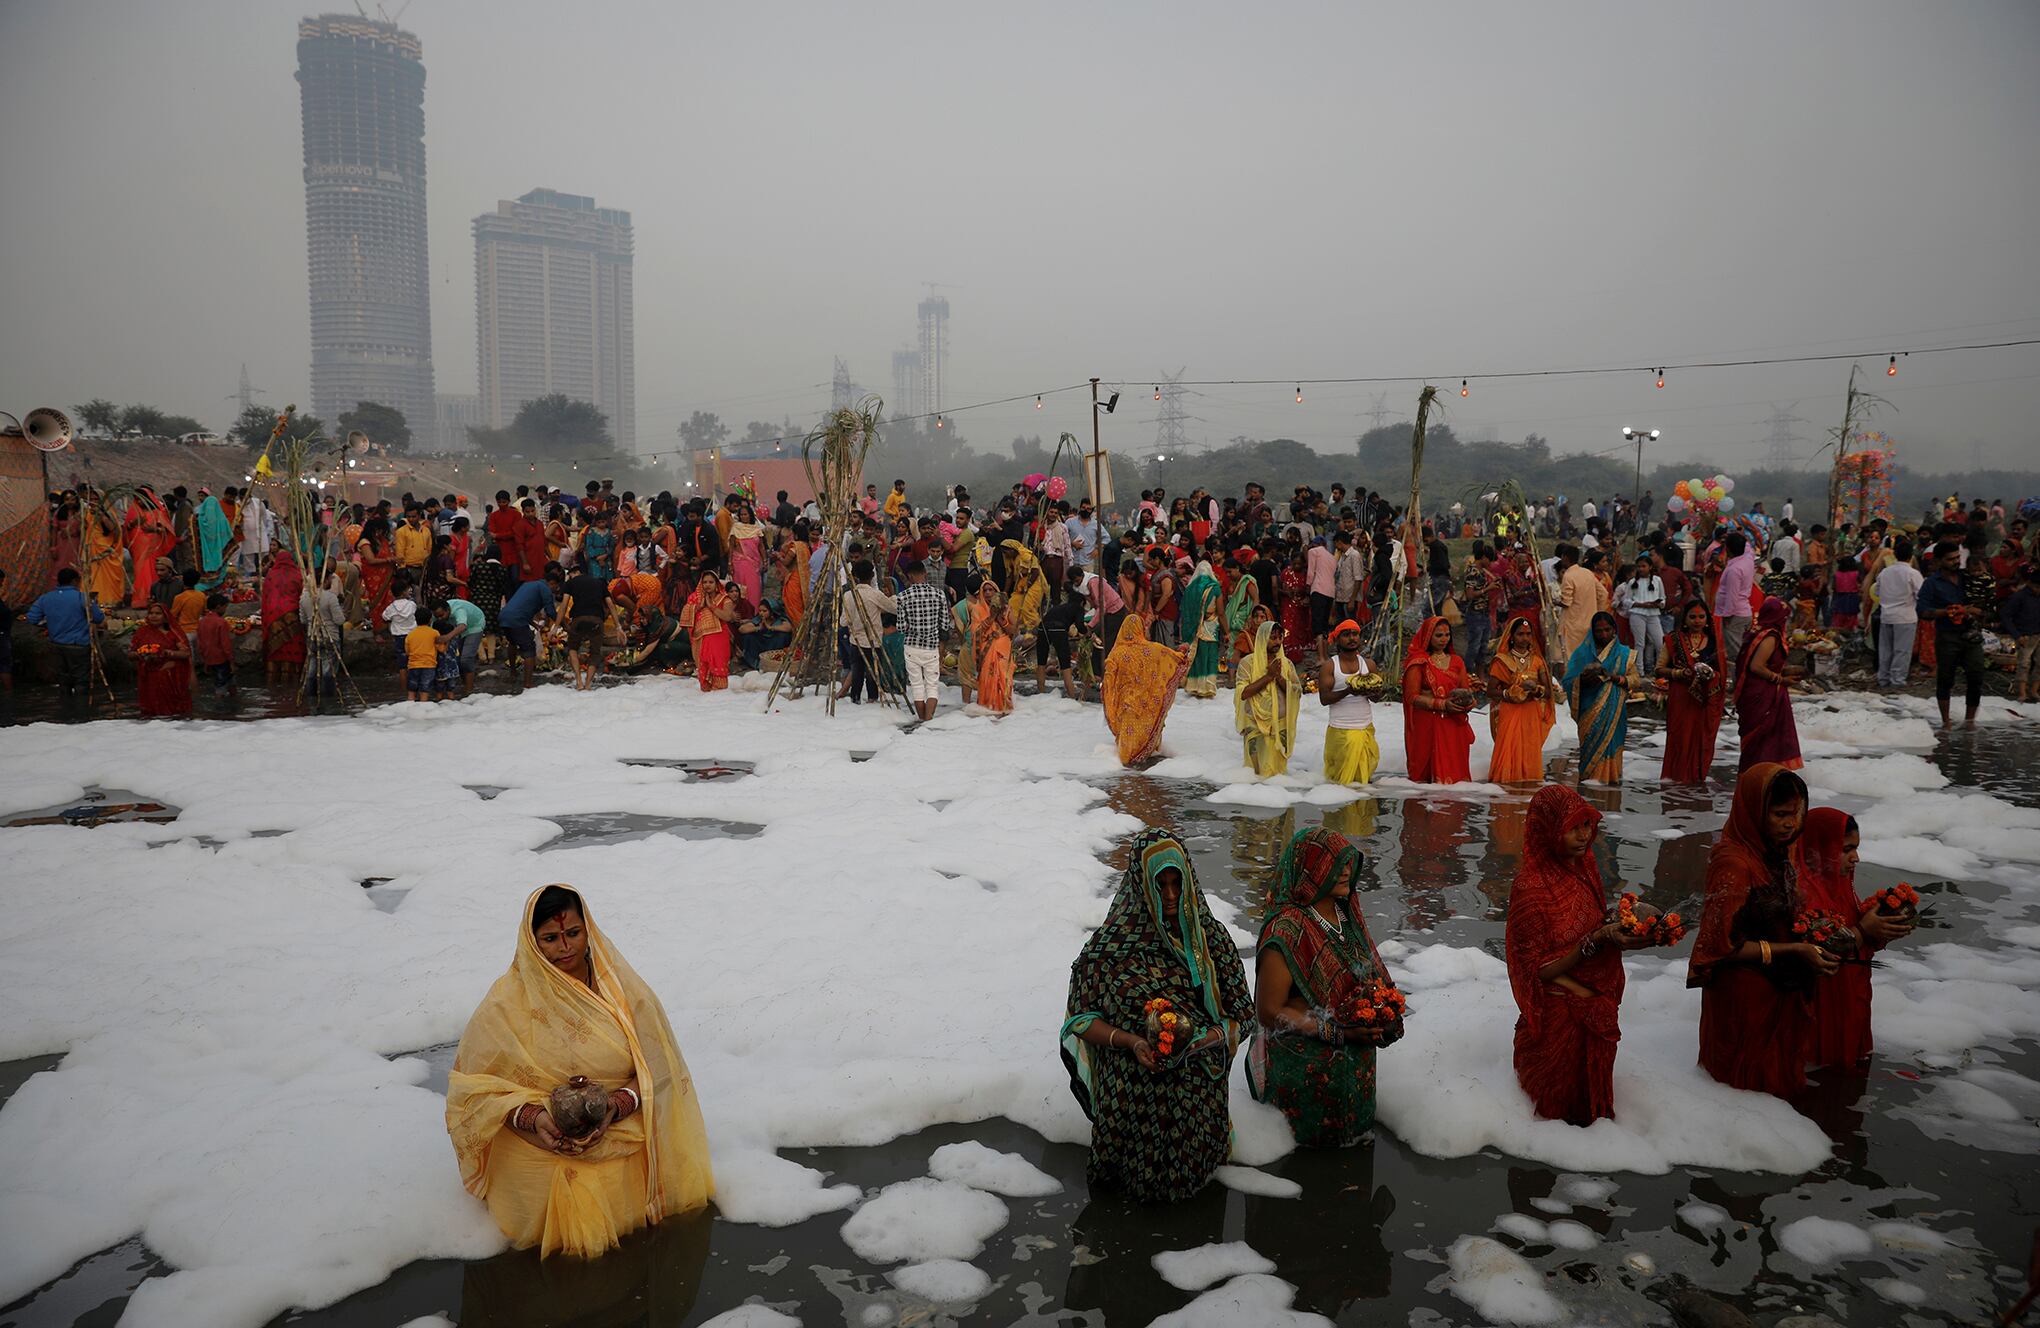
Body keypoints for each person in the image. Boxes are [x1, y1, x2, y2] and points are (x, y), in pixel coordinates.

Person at [446, 886, 713, 1258]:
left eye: (573, 934)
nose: (564, 948)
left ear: (589, 932)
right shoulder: (505, 1002)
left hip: (620, 1123)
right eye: (550, 938)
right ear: (531, 941)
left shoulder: (622, 992)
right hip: (537, 1137)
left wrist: (616, 1106)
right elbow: (473, 1089)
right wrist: (533, 1119)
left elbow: (660, 1067)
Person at [1059, 830, 1251, 1203]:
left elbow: (1243, 1016)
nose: (1170, 895)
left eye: (1176, 883)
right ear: (1138, 884)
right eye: (1159, 884)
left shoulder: (1211, 940)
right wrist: (1132, 1042)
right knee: (1118, 1196)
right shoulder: (1110, 945)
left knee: (1192, 1198)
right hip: (1131, 1077)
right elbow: (1080, 1020)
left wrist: (1197, 1040)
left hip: (1198, 1075)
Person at [1506, 785, 1649, 1126]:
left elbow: (1591, 923)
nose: (1585, 835)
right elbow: (1535, 971)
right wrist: (1595, 940)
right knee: (1556, 1117)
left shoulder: (1584, 871)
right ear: (1549, 829)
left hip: (1596, 1008)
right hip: (1560, 1019)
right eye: (1573, 828)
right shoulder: (1531, 887)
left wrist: (1627, 921)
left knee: (1591, 1119)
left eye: (1587, 824)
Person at [1248, 828, 1401, 1147]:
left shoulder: (1348, 916)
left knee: (1356, 1180)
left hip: (1354, 1083)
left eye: (1348, 862)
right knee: (1309, 1180)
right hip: (1306, 1087)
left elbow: (1369, 982)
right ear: (1310, 870)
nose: (1346, 870)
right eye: (1335, 863)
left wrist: (1387, 1017)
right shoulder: (1286, 930)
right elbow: (1269, 1011)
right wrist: (1337, 1033)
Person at [1690, 764, 1835, 1097]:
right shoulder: (1734, 863)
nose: (1790, 823)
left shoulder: (1773, 849)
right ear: (1755, 811)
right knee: (1742, 1091)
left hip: (1775, 988)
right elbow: (1720, 947)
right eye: (1780, 814)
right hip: (1743, 998)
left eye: (1796, 814)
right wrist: (1796, 950)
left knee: (1771, 1091)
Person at [1798, 808, 1913, 1071]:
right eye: (1846, 849)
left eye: (1856, 848)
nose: (1855, 857)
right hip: (1820, 1010)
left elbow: (1857, 938)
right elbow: (1818, 952)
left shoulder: (1841, 888)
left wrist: (1884, 927)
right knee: (1822, 1084)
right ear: (1820, 847)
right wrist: (1863, 930)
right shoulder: (1802, 893)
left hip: (1849, 1001)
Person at [1102, 616, 1191, 767]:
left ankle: (1126, 759)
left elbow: (1108, 680)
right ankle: (1145, 753)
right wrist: (1182, 651)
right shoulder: (1152, 649)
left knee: (1127, 736)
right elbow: (1172, 659)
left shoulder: (1116, 653)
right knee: (1149, 725)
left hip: (1126, 705)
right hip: (1146, 702)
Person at [1564, 611, 1641, 784]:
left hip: (1614, 712)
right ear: (1593, 631)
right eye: (1599, 631)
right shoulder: (1582, 653)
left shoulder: (1624, 653)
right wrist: (1582, 679)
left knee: (1611, 749)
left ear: (1614, 629)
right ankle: (1590, 795)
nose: (1604, 634)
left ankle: (1610, 795)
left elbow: (1636, 680)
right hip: (1588, 711)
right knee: (1589, 759)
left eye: (1607, 630)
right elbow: (1567, 680)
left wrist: (1613, 678)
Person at [1916, 540, 1986, 728]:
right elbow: (1922, 611)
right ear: (1939, 561)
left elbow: (1985, 600)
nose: (1956, 562)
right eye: (1950, 559)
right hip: (1948, 636)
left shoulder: (1968, 577)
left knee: (1976, 676)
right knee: (1946, 678)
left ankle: (1969, 721)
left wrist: (1977, 610)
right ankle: (1946, 721)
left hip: (1972, 635)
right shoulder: (1931, 583)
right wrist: (1947, 612)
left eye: (1957, 557)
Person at [1658, 600, 1727, 783]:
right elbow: (1659, 669)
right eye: (1693, 617)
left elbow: (1722, 672)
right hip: (1681, 697)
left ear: (1707, 620)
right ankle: (1676, 781)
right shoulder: (1673, 640)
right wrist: (1680, 673)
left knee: (1701, 740)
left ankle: (1696, 780)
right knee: (1680, 738)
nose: (1697, 621)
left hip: (1705, 700)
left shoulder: (1714, 642)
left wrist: (1712, 676)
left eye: (1701, 617)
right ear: (1685, 619)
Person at [1402, 615, 1476, 784]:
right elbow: (1411, 697)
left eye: (1447, 635)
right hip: (1428, 724)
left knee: (1456, 784)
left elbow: (1465, 690)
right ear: (1428, 636)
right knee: (1427, 785)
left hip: (1453, 723)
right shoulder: (1419, 662)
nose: (1444, 639)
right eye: (1439, 635)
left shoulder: (1457, 661)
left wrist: (1470, 703)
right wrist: (1441, 704)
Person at [1484, 613, 1556, 784]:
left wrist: (1536, 689)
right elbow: (1491, 691)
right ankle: (1506, 791)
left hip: (1531, 711)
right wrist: (1510, 694)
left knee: (1529, 749)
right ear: (1511, 636)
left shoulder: (1537, 661)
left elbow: (1548, 692)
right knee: (1510, 749)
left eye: (1528, 634)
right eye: (1520, 634)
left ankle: (1527, 792)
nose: (1525, 638)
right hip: (1510, 711)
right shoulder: (1502, 660)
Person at [1735, 597, 1803, 772]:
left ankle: (1762, 776)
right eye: (1784, 617)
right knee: (1761, 740)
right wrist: (1781, 679)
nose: (1785, 621)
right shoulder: (1770, 636)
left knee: (1765, 740)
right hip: (1761, 694)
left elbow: (1767, 663)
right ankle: (1756, 777)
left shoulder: (1758, 631)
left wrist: (1786, 671)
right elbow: (1756, 666)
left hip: (1762, 691)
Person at [25, 568, 106, 703]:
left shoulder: (45, 598)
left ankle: (65, 714)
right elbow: (98, 618)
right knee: (81, 681)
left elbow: (32, 618)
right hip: (79, 646)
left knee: (63, 682)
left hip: (57, 646)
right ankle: (81, 714)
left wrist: (48, 624)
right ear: (75, 581)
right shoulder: (82, 597)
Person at [1318, 619, 1381, 786]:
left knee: (1363, 784)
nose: (1352, 638)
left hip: (1365, 728)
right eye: (1346, 635)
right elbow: (1324, 699)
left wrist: (1371, 692)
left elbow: (1377, 698)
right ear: (1337, 639)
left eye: (1355, 634)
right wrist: (1348, 691)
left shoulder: (1369, 665)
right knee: (1342, 785)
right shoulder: (1330, 666)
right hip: (1341, 731)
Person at [1235, 617, 1300, 777]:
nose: (1277, 642)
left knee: (1277, 774)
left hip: (1280, 724)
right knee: (1255, 774)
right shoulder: (1247, 663)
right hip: (1254, 723)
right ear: (1263, 638)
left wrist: (1278, 678)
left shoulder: (1286, 664)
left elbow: (1296, 692)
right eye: (1272, 638)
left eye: (1279, 637)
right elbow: (1243, 693)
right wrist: (1268, 676)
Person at [895, 560, 948, 721]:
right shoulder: (939, 594)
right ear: (925, 573)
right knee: (932, 686)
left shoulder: (902, 596)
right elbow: (945, 624)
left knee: (917, 686)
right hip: (932, 647)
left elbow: (901, 627)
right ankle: (928, 719)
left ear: (909, 576)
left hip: (912, 647)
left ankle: (923, 720)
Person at [499, 567, 562, 692]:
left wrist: (533, 624)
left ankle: (513, 673)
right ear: (552, 583)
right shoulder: (545, 589)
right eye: (556, 586)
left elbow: (521, 605)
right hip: (517, 619)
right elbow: (551, 612)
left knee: (512, 642)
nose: (556, 589)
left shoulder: (529, 585)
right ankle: (528, 684)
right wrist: (564, 625)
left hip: (504, 616)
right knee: (529, 649)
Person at [1872, 536, 1922, 689]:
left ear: (1894, 555)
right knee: (1902, 651)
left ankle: (1883, 678)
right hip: (1906, 617)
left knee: (1885, 649)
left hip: (1886, 615)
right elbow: (1921, 594)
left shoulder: (1885, 573)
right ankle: (1897, 680)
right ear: (1911, 556)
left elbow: (1877, 592)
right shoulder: (1913, 574)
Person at [130, 601, 192, 717]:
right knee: (151, 712)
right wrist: (141, 654)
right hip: (149, 678)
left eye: (158, 613)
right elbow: (131, 654)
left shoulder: (174, 633)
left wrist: (167, 653)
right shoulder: (141, 632)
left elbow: (185, 653)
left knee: (171, 713)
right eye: (151, 613)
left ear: (165, 617)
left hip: (169, 677)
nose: (153, 616)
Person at [681, 571, 738, 692]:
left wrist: (711, 606)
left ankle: (720, 695)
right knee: (703, 663)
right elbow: (685, 614)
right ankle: (707, 698)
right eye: (705, 582)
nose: (708, 585)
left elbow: (727, 617)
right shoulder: (694, 598)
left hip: (718, 635)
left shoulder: (724, 598)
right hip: (700, 637)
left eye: (711, 582)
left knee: (717, 663)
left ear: (716, 583)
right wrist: (699, 607)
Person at [261, 547, 307, 687]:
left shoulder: (270, 575)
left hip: (273, 615)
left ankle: (272, 683)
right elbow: (303, 595)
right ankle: (292, 683)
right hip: (291, 614)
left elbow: (265, 596)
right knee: (292, 647)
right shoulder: (298, 574)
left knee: (275, 649)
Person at [1714, 532, 1756, 683]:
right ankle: (1743, 680)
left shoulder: (1734, 570)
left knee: (1735, 653)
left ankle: (1741, 682)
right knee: (1742, 650)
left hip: (1735, 614)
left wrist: (1727, 616)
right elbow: (1749, 548)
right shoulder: (1748, 559)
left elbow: (1732, 595)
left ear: (1728, 549)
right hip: (1744, 611)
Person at [1178, 559, 1224, 698]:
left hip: (1195, 628)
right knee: (1209, 655)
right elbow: (1221, 612)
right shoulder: (1214, 587)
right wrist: (1227, 631)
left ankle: (1194, 686)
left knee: (1197, 656)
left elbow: (1185, 611)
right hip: (1210, 626)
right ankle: (1207, 687)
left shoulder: (1190, 588)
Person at [970, 578, 1014, 714]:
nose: (988, 593)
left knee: (1004, 677)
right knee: (986, 678)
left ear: (996, 592)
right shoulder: (977, 609)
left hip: (1003, 646)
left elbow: (1013, 631)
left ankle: (1004, 708)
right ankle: (988, 707)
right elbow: (975, 632)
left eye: (991, 590)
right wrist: (990, 618)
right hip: (986, 648)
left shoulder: (1007, 608)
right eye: (985, 590)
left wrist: (1000, 619)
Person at [2004, 564, 2040, 703]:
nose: (2038, 590)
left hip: (2038, 633)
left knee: (2039, 663)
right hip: (2024, 635)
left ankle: (2034, 690)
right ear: (2030, 583)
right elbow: (2006, 615)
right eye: (2036, 587)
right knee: (2024, 663)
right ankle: (2022, 692)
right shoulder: (2019, 596)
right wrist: (2017, 635)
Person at [196, 593, 236, 698]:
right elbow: (225, 644)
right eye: (225, 607)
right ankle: (222, 709)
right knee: (223, 685)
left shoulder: (202, 622)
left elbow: (200, 643)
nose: (225, 610)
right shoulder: (221, 622)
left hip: (209, 658)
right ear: (219, 607)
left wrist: (205, 660)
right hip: (222, 659)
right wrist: (231, 661)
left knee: (220, 682)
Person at [404, 607, 445, 702]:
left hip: (413, 666)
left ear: (415, 619)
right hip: (429, 665)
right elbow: (441, 649)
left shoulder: (410, 634)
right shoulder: (434, 633)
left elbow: (407, 652)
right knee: (424, 689)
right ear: (430, 619)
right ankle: (423, 710)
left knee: (411, 690)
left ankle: (410, 710)